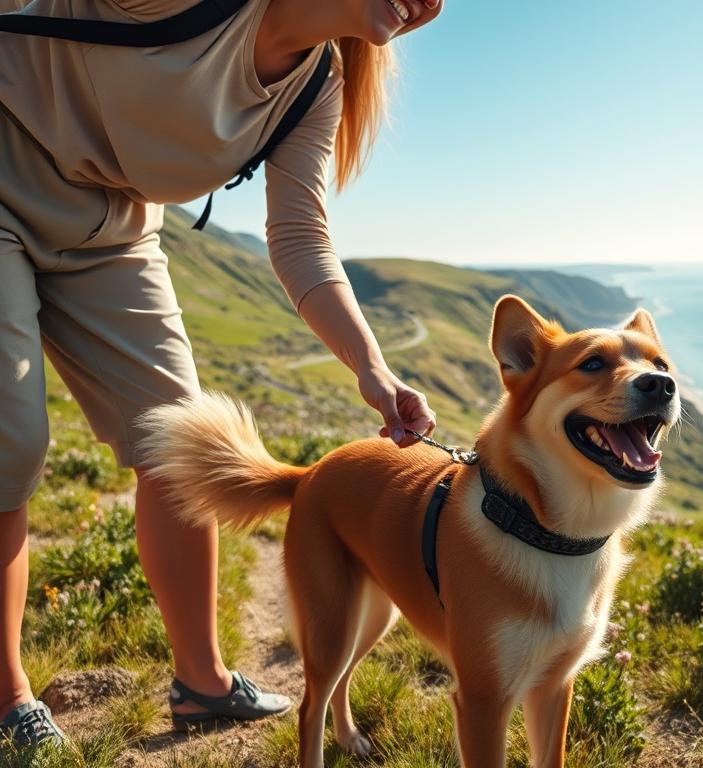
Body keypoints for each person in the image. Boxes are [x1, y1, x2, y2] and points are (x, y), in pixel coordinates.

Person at [0, 0, 442, 746]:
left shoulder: (317, 84)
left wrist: (373, 369)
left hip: (113, 228)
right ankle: (10, 701)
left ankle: (200, 681)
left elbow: (301, 238)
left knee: (181, 443)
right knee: (12, 441)